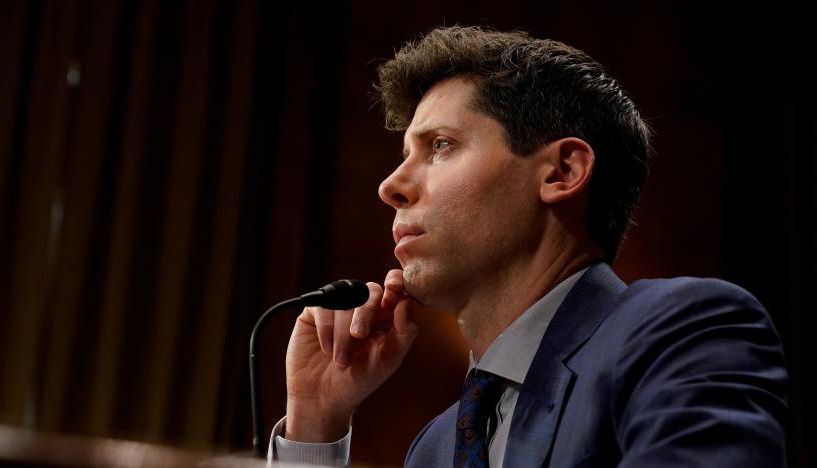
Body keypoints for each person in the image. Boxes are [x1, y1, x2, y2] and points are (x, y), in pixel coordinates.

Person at [266, 26, 789, 467]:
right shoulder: (434, 448)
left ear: (562, 172)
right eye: (405, 153)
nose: (391, 186)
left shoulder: (679, 331)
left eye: (441, 146)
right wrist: (316, 422)